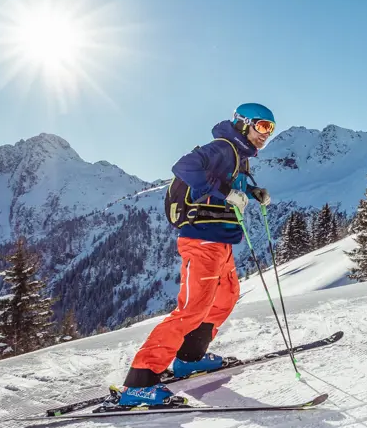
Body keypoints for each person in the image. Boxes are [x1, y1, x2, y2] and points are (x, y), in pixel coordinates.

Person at [117, 103, 277, 407]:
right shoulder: (222, 147)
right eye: (262, 126)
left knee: (226, 296)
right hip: (201, 241)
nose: (266, 135)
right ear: (244, 123)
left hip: (221, 241)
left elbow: (227, 186)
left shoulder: (239, 156)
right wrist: (226, 193)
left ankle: (189, 358)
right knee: (192, 309)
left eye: (271, 128)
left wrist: (252, 194)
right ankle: (140, 380)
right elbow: (185, 167)